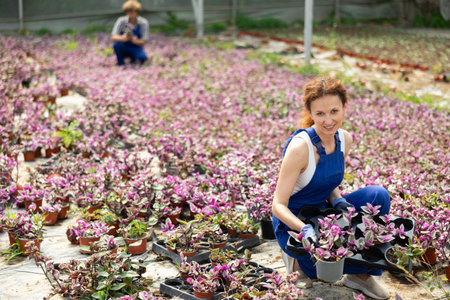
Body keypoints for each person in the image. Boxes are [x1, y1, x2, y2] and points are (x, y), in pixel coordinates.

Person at [272, 77, 391, 299]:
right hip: (295, 219)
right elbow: (278, 204)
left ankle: (361, 276)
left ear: (345, 108)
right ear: (310, 113)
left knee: (378, 195)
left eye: (334, 111)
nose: (328, 120)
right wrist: (303, 229)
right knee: (320, 271)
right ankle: (295, 260)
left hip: (323, 213)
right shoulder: (300, 148)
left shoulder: (345, 139)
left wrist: (338, 200)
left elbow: (328, 183)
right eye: (320, 114)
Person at [111, 0, 149, 66]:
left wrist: (136, 41)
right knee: (117, 45)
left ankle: (133, 60)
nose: (130, 13)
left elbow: (144, 41)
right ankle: (121, 64)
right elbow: (113, 36)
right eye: (128, 11)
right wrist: (123, 38)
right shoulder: (122, 21)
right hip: (124, 46)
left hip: (135, 47)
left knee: (142, 58)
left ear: (137, 11)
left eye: (132, 11)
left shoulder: (143, 22)